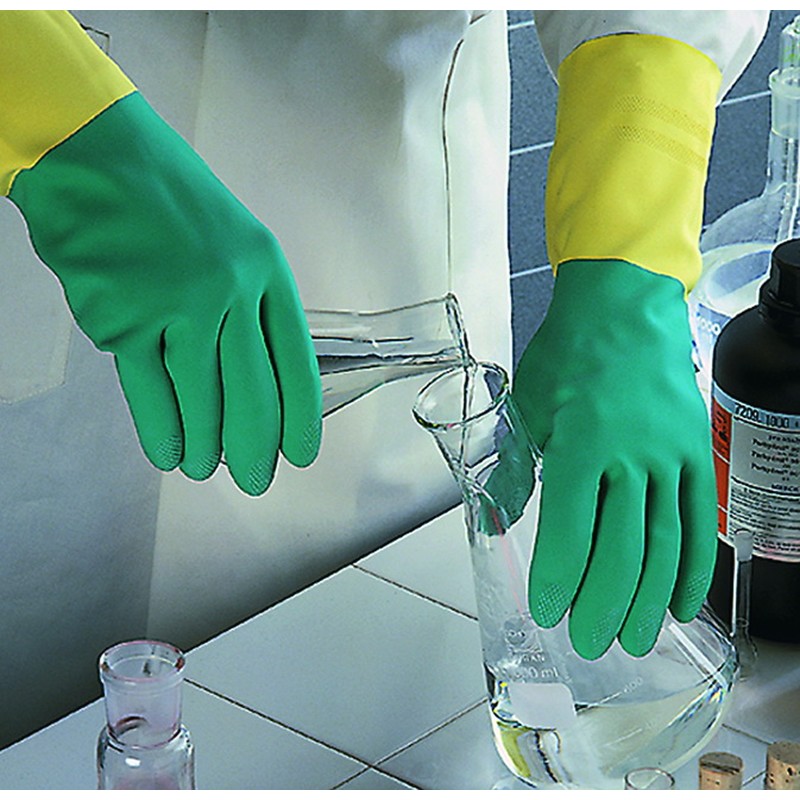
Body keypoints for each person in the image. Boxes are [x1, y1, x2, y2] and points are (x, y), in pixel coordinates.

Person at [0, 10, 768, 745]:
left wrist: (628, 260)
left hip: (385, 237)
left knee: (361, 713)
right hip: (51, 232)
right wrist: (56, 123)